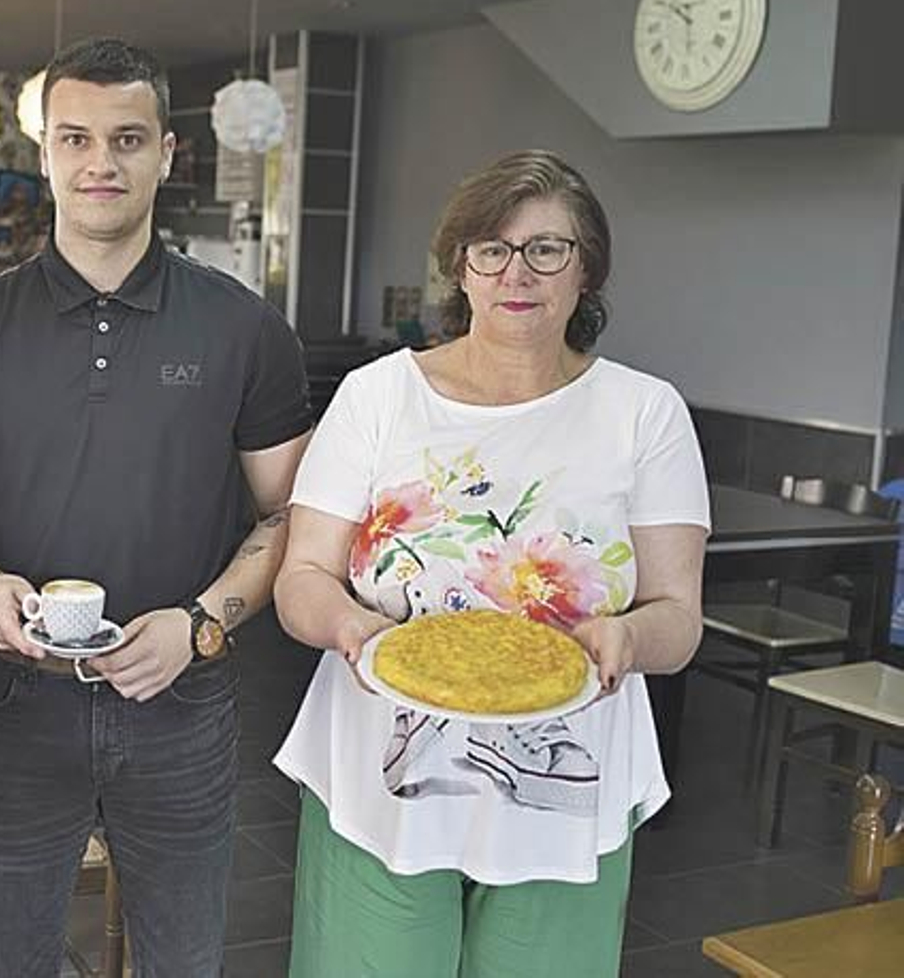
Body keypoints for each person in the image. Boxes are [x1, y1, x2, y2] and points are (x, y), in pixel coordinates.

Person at [0, 37, 313, 977]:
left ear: (168, 154)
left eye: (128, 139)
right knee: (12, 962)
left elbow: (289, 517)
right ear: (43, 153)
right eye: (75, 138)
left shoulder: (245, 328)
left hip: (185, 703)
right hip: (14, 701)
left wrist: (201, 624)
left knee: (183, 961)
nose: (101, 163)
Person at [272, 149, 709, 977]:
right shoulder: (377, 395)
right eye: (493, 248)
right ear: (460, 267)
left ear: (587, 273)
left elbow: (677, 616)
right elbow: (302, 579)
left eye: (549, 248)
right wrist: (353, 627)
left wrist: (627, 639)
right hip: (381, 768)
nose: (519, 271)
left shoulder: (643, 414)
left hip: (565, 775)